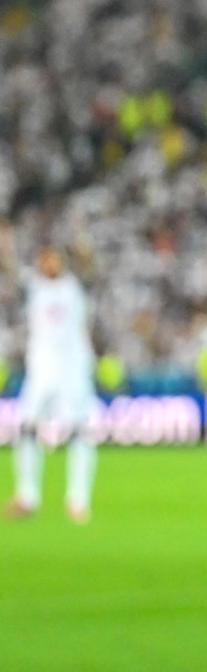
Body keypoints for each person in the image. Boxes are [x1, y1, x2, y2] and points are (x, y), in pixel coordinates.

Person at [4, 222, 100, 524]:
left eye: (54, 258)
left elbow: (90, 267)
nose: (49, 263)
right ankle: (27, 496)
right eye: (44, 259)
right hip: (41, 369)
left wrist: (82, 238)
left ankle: (78, 500)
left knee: (79, 432)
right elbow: (9, 268)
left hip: (74, 368)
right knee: (26, 428)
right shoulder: (33, 288)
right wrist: (5, 240)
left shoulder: (75, 286)